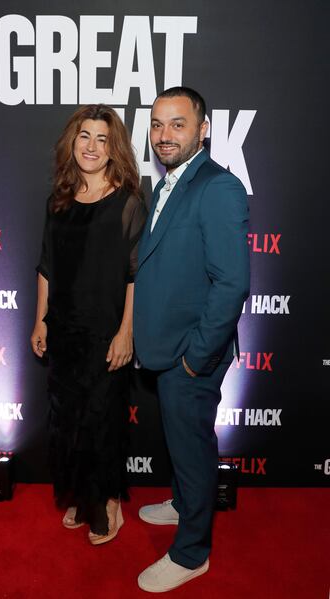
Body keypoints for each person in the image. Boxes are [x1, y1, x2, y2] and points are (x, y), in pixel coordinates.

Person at [134, 87, 250, 592]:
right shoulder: (165, 186)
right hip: (166, 347)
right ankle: (183, 502)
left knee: (194, 449)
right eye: (157, 125)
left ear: (204, 129)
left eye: (178, 124)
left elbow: (232, 283)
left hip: (191, 353)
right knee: (184, 444)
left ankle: (191, 552)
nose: (164, 135)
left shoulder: (217, 187)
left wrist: (195, 359)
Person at [31, 104, 146, 545]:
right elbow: (45, 267)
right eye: (84, 136)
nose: (92, 146)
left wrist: (126, 331)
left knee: (102, 420)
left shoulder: (128, 202)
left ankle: (109, 499)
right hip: (64, 331)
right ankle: (82, 491)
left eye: (102, 138)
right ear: (72, 141)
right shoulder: (58, 200)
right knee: (69, 419)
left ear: (113, 147)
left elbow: (137, 274)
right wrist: (40, 321)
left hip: (105, 331)